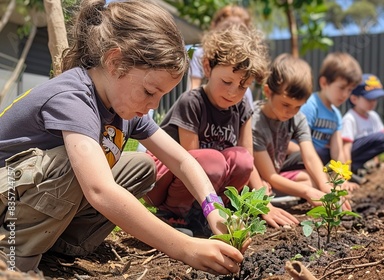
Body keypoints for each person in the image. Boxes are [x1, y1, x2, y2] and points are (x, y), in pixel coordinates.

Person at [0, 0, 243, 275]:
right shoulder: (73, 98)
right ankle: (14, 258)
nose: (154, 105)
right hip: (6, 201)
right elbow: (99, 190)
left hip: (29, 198)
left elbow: (183, 161)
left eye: (162, 96)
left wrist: (213, 208)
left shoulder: (123, 104)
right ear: (115, 62)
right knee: (80, 166)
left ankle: (60, 245)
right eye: (150, 92)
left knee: (141, 166)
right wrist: (184, 247)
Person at [144, 22, 295, 234]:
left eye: (243, 86)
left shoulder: (242, 108)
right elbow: (190, 161)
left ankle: (210, 213)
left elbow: (248, 162)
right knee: (211, 160)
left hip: (203, 182)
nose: (233, 92)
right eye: (226, 81)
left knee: (241, 159)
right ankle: (173, 215)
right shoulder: (192, 102)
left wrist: (264, 204)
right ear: (207, 67)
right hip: (165, 181)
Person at [251, 53, 354, 210]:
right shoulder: (255, 122)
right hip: (256, 178)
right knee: (307, 186)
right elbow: (270, 175)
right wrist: (307, 192)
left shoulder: (297, 117)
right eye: (285, 104)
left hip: (275, 175)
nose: (290, 112)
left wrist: (327, 188)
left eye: (298, 106)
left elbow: (310, 157)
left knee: (311, 179)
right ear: (268, 92)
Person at [299, 52, 362, 165]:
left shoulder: (336, 115)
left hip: (319, 159)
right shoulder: (310, 105)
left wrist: (342, 179)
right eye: (341, 88)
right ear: (324, 83)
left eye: (349, 90)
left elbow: (337, 153)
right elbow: (297, 143)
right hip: (301, 156)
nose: (345, 95)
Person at [188, 5, 254, 108]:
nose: (232, 31)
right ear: (214, 26)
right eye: (227, 26)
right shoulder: (201, 54)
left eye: (239, 29)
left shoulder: (249, 59)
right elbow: (194, 87)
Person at [342, 74, 384, 174]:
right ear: (354, 99)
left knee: (383, 138)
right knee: (380, 137)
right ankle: (354, 169)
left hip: (362, 156)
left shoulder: (373, 116)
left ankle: (366, 166)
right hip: (352, 156)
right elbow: (346, 147)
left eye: (375, 99)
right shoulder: (350, 119)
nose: (373, 102)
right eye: (369, 99)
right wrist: (345, 174)